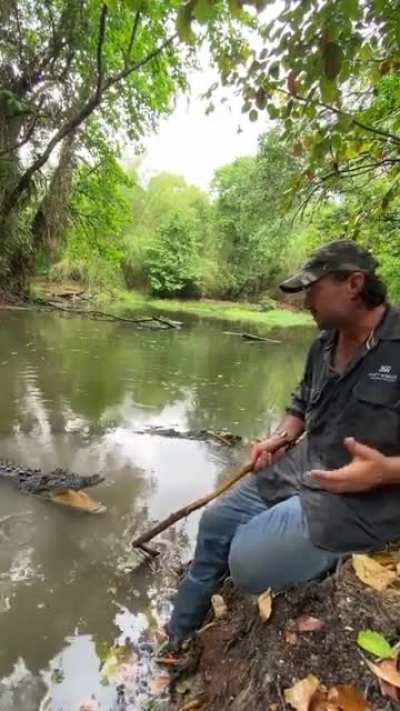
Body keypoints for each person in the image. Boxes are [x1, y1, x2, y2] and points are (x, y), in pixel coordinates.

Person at [166, 239, 400, 646]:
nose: (305, 300)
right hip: (301, 468)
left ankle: (326, 555)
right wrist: (280, 437)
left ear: (354, 284)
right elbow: (299, 405)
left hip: (361, 500)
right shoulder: (324, 343)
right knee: (215, 524)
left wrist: (385, 472)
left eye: (313, 288)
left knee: (246, 563)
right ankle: (177, 638)